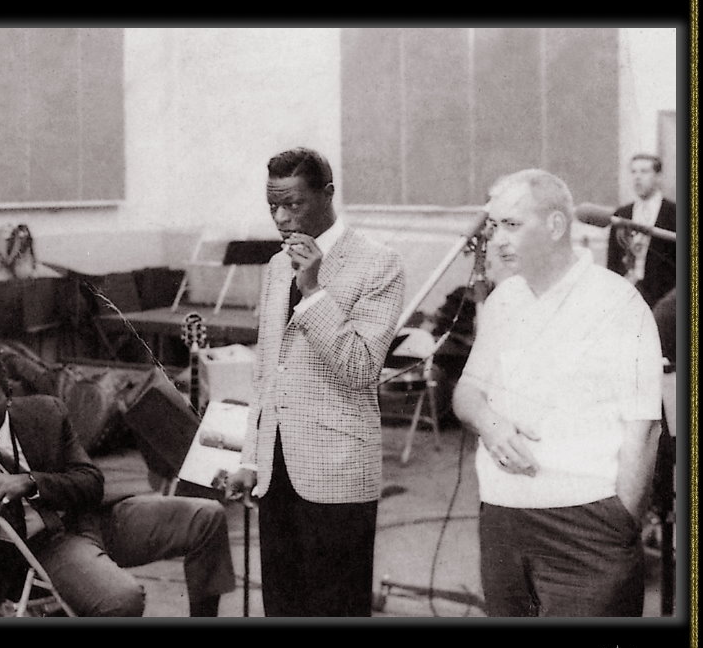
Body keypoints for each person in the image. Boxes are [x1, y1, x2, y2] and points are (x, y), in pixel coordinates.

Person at [452, 169, 663, 617]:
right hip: (503, 519)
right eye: (495, 226)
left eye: (512, 225)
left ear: (555, 225)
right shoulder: (504, 300)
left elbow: (643, 429)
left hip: (587, 525)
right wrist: (491, 424)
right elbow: (467, 392)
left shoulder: (617, 302)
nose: (497, 239)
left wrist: (620, 524)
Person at [0, 350, 236, 617]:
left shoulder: (46, 414)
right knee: (122, 599)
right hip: (47, 547)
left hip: (93, 518)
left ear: (9, 396)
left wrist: (29, 483)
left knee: (206, 517)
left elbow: (90, 482)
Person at [226, 147, 405, 616]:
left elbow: (361, 368)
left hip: (338, 473)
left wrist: (312, 291)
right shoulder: (275, 266)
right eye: (273, 206)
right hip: (275, 473)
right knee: (282, 607)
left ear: (328, 194)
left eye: (293, 204)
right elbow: (267, 373)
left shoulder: (378, 264)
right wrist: (250, 459)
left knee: (336, 608)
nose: (281, 219)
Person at [606, 154, 676, 308]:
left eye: (644, 171)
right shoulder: (621, 214)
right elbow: (612, 261)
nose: (637, 177)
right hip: (627, 298)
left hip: (663, 299)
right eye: (633, 172)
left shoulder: (675, 213)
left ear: (658, 177)